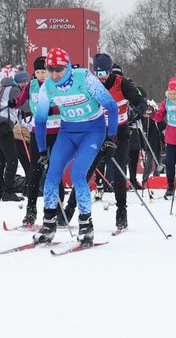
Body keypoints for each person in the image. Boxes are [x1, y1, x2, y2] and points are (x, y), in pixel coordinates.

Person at [31, 48, 119, 246]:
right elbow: (40, 120)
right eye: (50, 69)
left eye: (59, 69)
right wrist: (43, 150)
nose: (54, 74)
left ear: (68, 66)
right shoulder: (48, 87)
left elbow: (111, 106)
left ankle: (85, 224)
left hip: (92, 132)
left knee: (78, 175)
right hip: (67, 133)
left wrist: (111, 137)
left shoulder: (85, 78)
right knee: (52, 175)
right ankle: (49, 223)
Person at [82, 53, 146, 230]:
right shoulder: (90, 84)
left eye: (104, 72)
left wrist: (137, 112)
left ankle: (121, 211)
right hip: (97, 133)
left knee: (118, 172)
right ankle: (72, 209)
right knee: (85, 170)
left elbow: (141, 102)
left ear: (110, 71)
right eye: (98, 72)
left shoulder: (121, 83)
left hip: (119, 134)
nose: (101, 76)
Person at [14, 56, 63, 226]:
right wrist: (14, 102)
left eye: (44, 72)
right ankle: (31, 210)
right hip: (38, 132)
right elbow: (21, 99)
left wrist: (53, 109)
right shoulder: (32, 85)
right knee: (34, 171)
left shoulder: (56, 84)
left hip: (57, 131)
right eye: (37, 72)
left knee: (55, 170)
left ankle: (58, 209)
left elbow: (63, 105)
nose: (41, 75)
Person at [0, 73, 26, 202]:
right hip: (3, 126)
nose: (25, 85)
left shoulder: (0, 88)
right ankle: (8, 191)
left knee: (1, 160)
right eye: (23, 82)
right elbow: (24, 105)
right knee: (13, 159)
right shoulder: (14, 89)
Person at [152, 77, 176, 201]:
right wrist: (151, 113)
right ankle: (170, 186)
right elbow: (159, 116)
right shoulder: (166, 101)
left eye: (175, 94)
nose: (173, 96)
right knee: (169, 163)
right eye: (170, 94)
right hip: (170, 137)